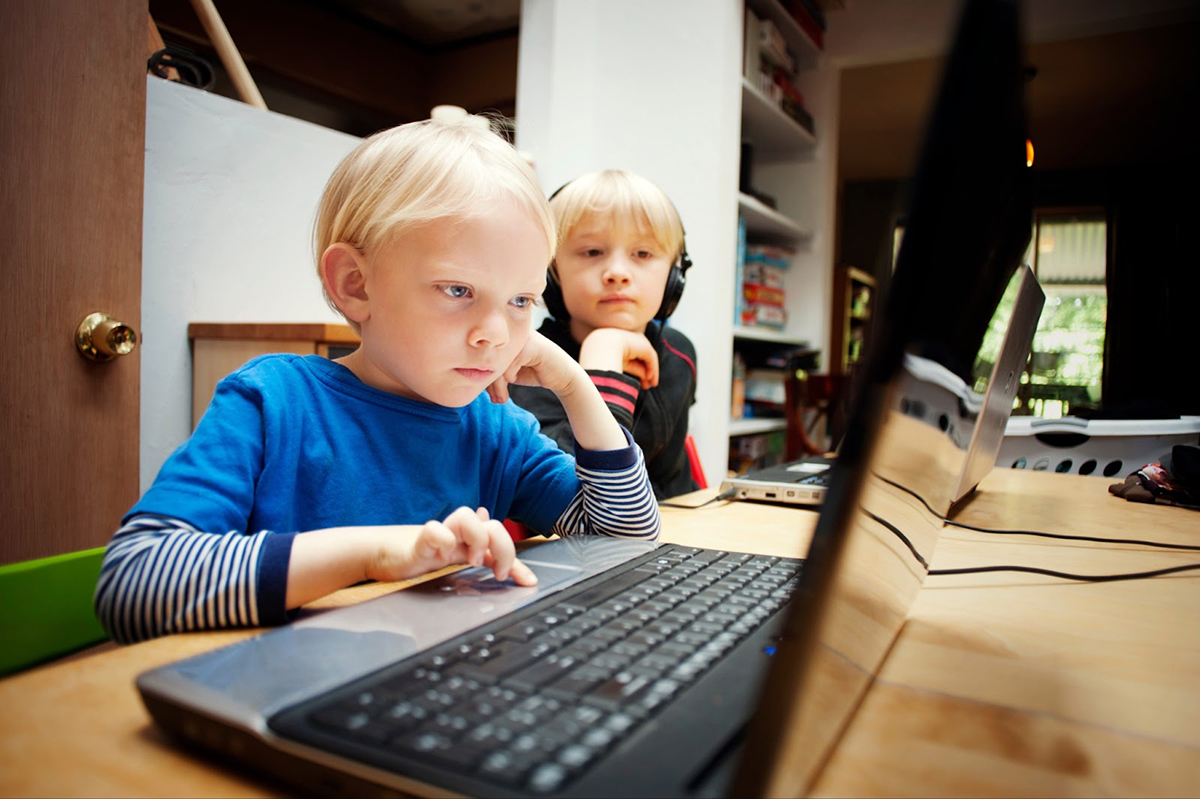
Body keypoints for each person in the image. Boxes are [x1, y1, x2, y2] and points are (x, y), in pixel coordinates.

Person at [94, 118, 660, 644]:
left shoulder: (497, 429)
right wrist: (377, 553)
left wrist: (572, 382)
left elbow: (625, 542)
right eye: (458, 290)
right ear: (355, 285)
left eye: (520, 300)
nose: (494, 333)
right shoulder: (273, 402)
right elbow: (134, 581)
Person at [508, 170, 698, 499]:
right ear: (551, 274)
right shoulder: (527, 364)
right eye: (592, 252)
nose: (617, 274)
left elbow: (674, 482)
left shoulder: (678, 352)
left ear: (674, 277)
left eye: (643, 254)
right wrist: (603, 359)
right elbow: (577, 493)